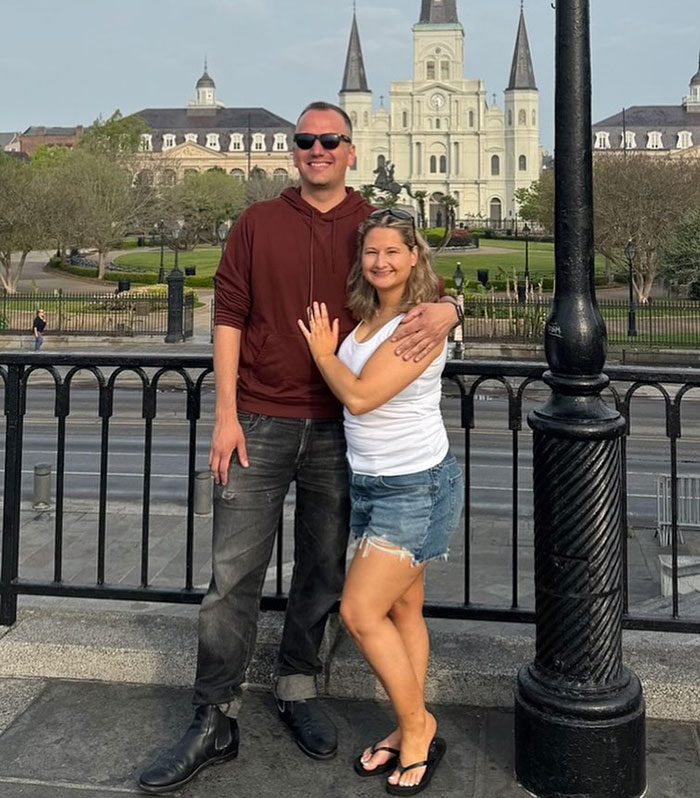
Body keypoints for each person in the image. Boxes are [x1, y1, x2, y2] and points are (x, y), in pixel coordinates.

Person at [138, 101, 461, 795]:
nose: (317, 149)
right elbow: (228, 317)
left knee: (322, 572)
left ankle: (296, 686)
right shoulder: (259, 223)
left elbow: (421, 280)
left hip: (340, 432)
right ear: (296, 151)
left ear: (350, 149)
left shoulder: (371, 222)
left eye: (330, 140)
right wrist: (225, 414)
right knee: (232, 578)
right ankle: (213, 716)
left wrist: (452, 306)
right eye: (306, 140)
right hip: (259, 421)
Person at [298, 210, 463, 795]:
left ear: (415, 255)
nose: (381, 261)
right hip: (373, 482)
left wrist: (322, 353)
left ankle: (419, 727)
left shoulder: (417, 323)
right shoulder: (372, 317)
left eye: (394, 251)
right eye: (371, 252)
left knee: (360, 612)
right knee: (402, 612)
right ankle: (405, 725)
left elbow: (362, 397)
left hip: (412, 486)